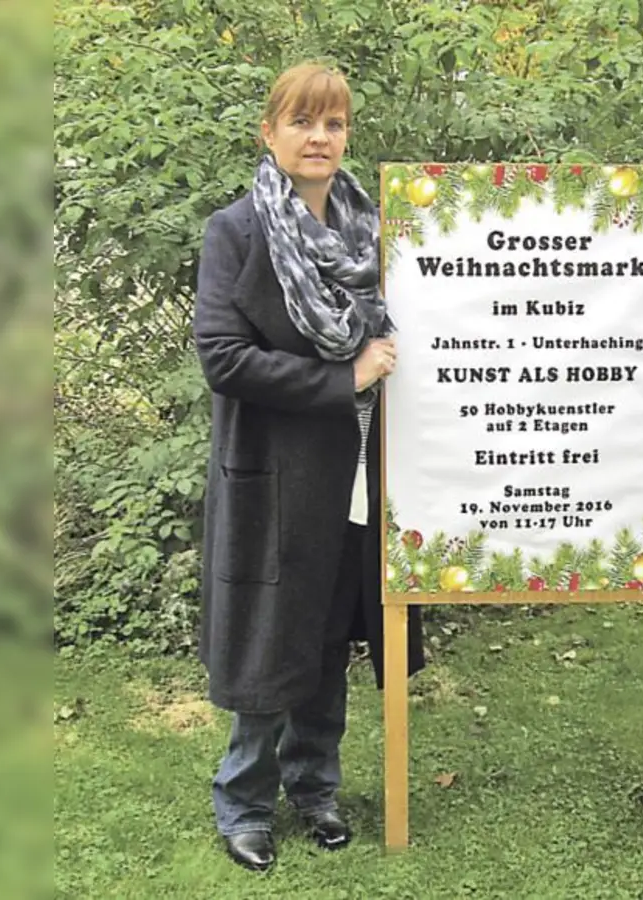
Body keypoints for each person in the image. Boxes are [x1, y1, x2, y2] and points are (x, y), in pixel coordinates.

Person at [192, 62, 425, 873]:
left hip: (359, 468)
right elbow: (223, 357)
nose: (320, 136)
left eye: (333, 123)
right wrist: (342, 377)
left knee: (330, 637)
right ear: (270, 132)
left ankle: (315, 788)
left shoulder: (377, 232)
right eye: (302, 121)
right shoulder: (238, 232)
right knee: (268, 644)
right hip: (274, 473)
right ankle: (244, 802)